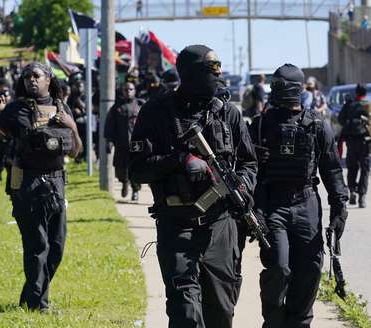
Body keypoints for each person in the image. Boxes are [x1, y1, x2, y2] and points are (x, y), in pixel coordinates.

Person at [128, 45, 257, 328]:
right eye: (213, 68)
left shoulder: (228, 114)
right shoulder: (156, 112)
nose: (220, 73)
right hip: (177, 225)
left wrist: (244, 187)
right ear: (190, 73)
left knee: (221, 313)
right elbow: (136, 170)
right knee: (185, 312)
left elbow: (249, 163)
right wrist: (180, 159)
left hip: (222, 226)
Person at [249, 64, 348, 328]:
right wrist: (254, 207)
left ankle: (299, 323)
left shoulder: (316, 124)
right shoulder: (259, 126)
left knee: (310, 270)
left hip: (306, 202)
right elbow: (244, 171)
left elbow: (332, 170)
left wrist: (340, 207)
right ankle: (273, 322)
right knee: (279, 268)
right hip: (273, 204)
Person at [0, 62, 82, 311]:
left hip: (57, 182)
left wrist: (73, 126)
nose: (30, 80)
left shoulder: (62, 108)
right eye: (26, 77)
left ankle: (30, 298)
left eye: (36, 76)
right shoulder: (17, 110)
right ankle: (38, 305)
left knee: (56, 248)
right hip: (28, 183)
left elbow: (77, 151)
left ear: (49, 79)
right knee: (38, 246)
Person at [105, 81, 144, 201]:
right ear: (122, 91)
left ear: (135, 91)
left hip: (136, 143)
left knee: (136, 167)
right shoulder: (117, 107)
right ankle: (124, 182)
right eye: (126, 90)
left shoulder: (140, 105)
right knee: (120, 168)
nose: (128, 92)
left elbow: (147, 124)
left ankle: (135, 189)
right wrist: (109, 140)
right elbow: (110, 124)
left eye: (131, 89)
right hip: (121, 142)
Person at [338, 83, 370, 208]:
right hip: (365, 141)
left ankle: (352, 192)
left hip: (351, 141)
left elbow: (341, 120)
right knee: (365, 170)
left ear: (356, 93)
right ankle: (362, 197)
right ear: (365, 93)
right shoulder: (368, 105)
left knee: (352, 167)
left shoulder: (349, 104)